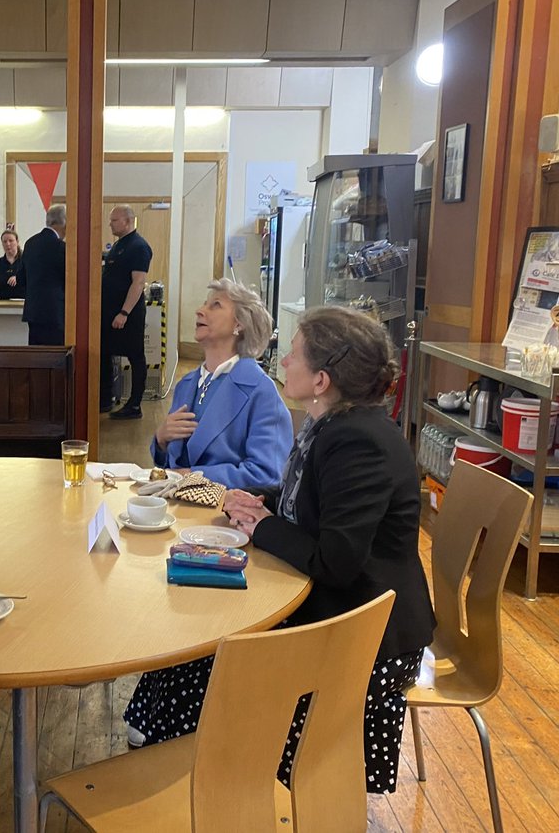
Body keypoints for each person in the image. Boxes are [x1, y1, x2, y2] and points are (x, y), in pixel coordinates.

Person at [126, 307, 435, 799]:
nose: (283, 359)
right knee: (197, 642)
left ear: (321, 379)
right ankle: (177, 772)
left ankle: (205, 785)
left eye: (293, 353)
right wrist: (263, 501)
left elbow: (336, 561)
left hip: (363, 641)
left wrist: (265, 525)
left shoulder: (359, 443)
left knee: (208, 657)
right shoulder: (333, 424)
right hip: (335, 611)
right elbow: (312, 500)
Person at [152, 279, 292, 489]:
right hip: (176, 507)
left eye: (215, 305)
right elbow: (170, 467)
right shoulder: (186, 385)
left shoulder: (261, 391)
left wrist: (192, 476)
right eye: (203, 304)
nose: (200, 311)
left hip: (224, 515)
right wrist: (161, 440)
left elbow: (268, 474)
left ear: (239, 324)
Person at [100, 204, 152, 419]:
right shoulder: (120, 245)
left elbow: (138, 283)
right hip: (109, 313)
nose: (110, 224)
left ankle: (134, 405)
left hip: (126, 315)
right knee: (103, 353)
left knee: (135, 356)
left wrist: (124, 313)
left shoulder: (139, 247)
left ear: (128, 221)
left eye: (114, 220)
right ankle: (104, 399)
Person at [20, 204, 67, 346]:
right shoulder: (60, 247)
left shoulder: (30, 243)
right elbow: (68, 279)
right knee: (55, 357)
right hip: (54, 312)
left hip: (33, 310)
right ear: (64, 222)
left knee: (37, 357)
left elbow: (22, 277)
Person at [0, 227, 26, 301]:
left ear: (17, 242)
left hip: (22, 303)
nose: (8, 244)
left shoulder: (26, 261)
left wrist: (18, 277)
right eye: (5, 241)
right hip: (2, 303)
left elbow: (33, 279)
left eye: (11, 241)